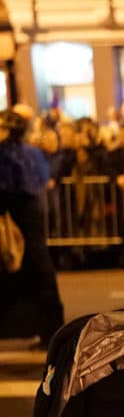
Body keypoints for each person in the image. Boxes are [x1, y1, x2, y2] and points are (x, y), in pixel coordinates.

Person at [0, 109, 65, 349]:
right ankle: (47, 331)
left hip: (21, 222)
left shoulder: (12, 154)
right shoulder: (31, 153)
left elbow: (10, 187)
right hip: (30, 221)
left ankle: (50, 332)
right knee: (35, 275)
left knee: (34, 273)